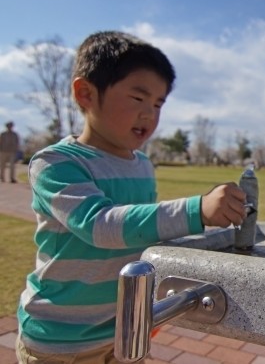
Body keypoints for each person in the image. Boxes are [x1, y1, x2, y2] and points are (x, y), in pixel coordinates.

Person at [16, 31, 248, 363]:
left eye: (158, 104)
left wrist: (146, 310)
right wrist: (197, 209)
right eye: (138, 99)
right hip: (59, 339)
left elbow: (143, 242)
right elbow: (100, 226)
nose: (149, 114)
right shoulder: (56, 163)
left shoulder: (142, 165)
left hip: (124, 331)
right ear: (85, 94)